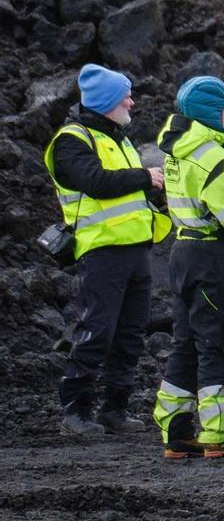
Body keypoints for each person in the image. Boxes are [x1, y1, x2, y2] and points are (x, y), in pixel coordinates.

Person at [43, 63, 167, 436]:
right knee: (96, 329)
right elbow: (94, 182)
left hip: (135, 249)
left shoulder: (119, 138)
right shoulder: (72, 139)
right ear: (106, 102)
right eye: (124, 95)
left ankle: (115, 409)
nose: (131, 101)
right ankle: (76, 412)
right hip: (102, 251)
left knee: (130, 334)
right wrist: (145, 177)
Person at [151, 76, 224, 459]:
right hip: (210, 255)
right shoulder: (210, 155)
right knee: (217, 341)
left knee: (185, 342)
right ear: (211, 111)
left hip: (182, 250)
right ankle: (219, 434)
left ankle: (176, 431)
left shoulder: (178, 148)